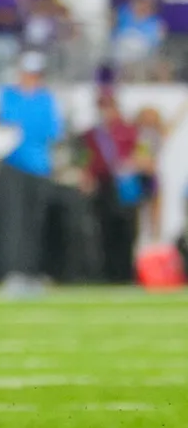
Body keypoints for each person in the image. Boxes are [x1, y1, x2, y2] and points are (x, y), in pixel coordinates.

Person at [0, 50, 62, 292]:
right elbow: (1, 126)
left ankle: (30, 272)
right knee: (11, 223)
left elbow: (52, 131)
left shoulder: (46, 99)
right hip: (12, 166)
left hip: (39, 167)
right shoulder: (7, 95)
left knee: (34, 223)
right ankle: (11, 272)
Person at [81, 74, 140, 284]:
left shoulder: (128, 130)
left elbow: (141, 155)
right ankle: (108, 274)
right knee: (104, 231)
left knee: (126, 231)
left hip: (125, 186)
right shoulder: (92, 134)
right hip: (104, 185)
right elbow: (88, 161)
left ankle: (125, 274)